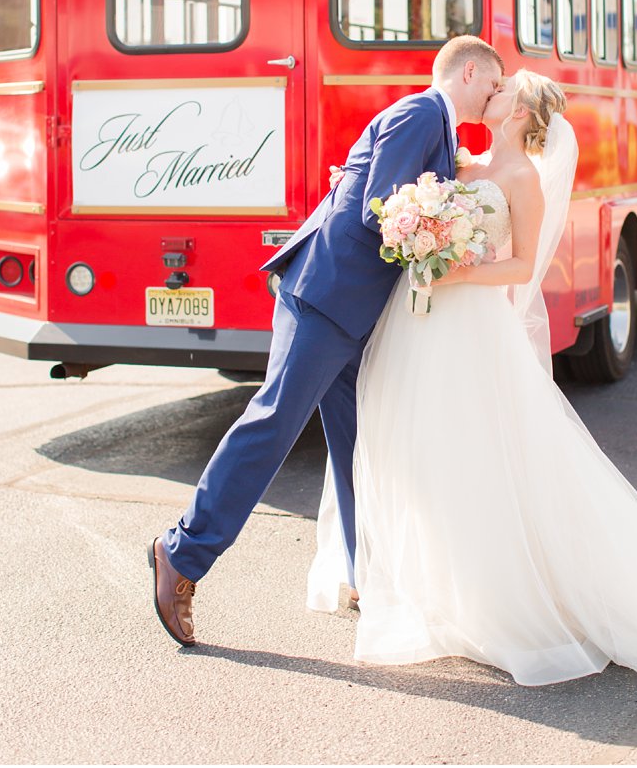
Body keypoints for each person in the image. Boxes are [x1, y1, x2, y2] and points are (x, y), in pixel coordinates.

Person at [308, 70, 637, 698]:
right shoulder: (463, 161)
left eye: (504, 89)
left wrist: (456, 272)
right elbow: (397, 198)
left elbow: (518, 269)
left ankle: (493, 593)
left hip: (471, 328)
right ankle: (426, 581)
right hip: (419, 327)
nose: (494, 91)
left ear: (521, 113)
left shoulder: (524, 181)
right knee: (419, 448)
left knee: (479, 453)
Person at [149, 35, 504, 646]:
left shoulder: (437, 129)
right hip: (324, 296)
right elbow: (379, 209)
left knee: (358, 441)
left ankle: (370, 573)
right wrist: (442, 233)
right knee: (272, 423)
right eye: (493, 85)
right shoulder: (420, 113)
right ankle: (181, 553)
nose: (494, 97)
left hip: (353, 310)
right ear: (469, 72)